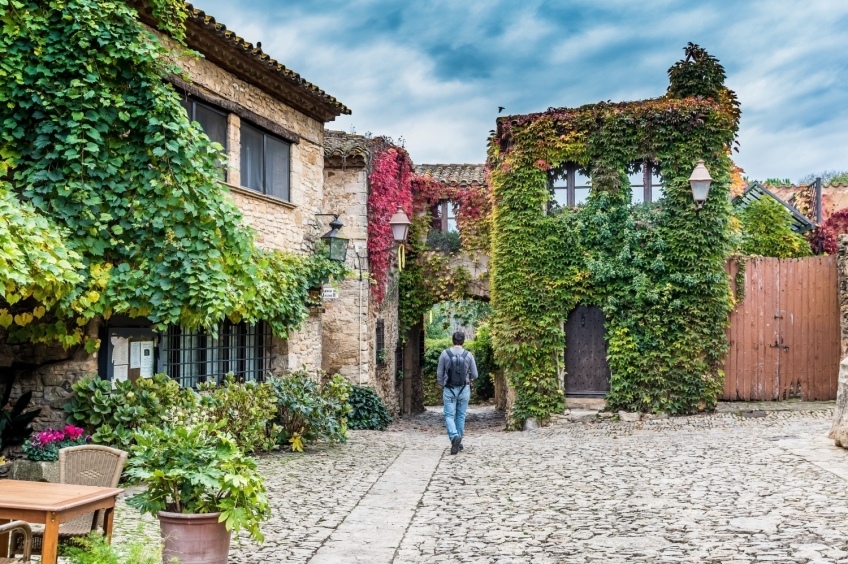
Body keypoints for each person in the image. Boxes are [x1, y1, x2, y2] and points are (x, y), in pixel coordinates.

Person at [437, 331, 479, 455]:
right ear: (463, 341)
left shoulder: (445, 354)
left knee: (449, 415)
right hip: (464, 389)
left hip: (449, 388)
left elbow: (439, 374)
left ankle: (454, 436)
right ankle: (458, 441)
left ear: (452, 340)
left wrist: (443, 384)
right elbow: (475, 375)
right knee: (461, 415)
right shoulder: (469, 355)